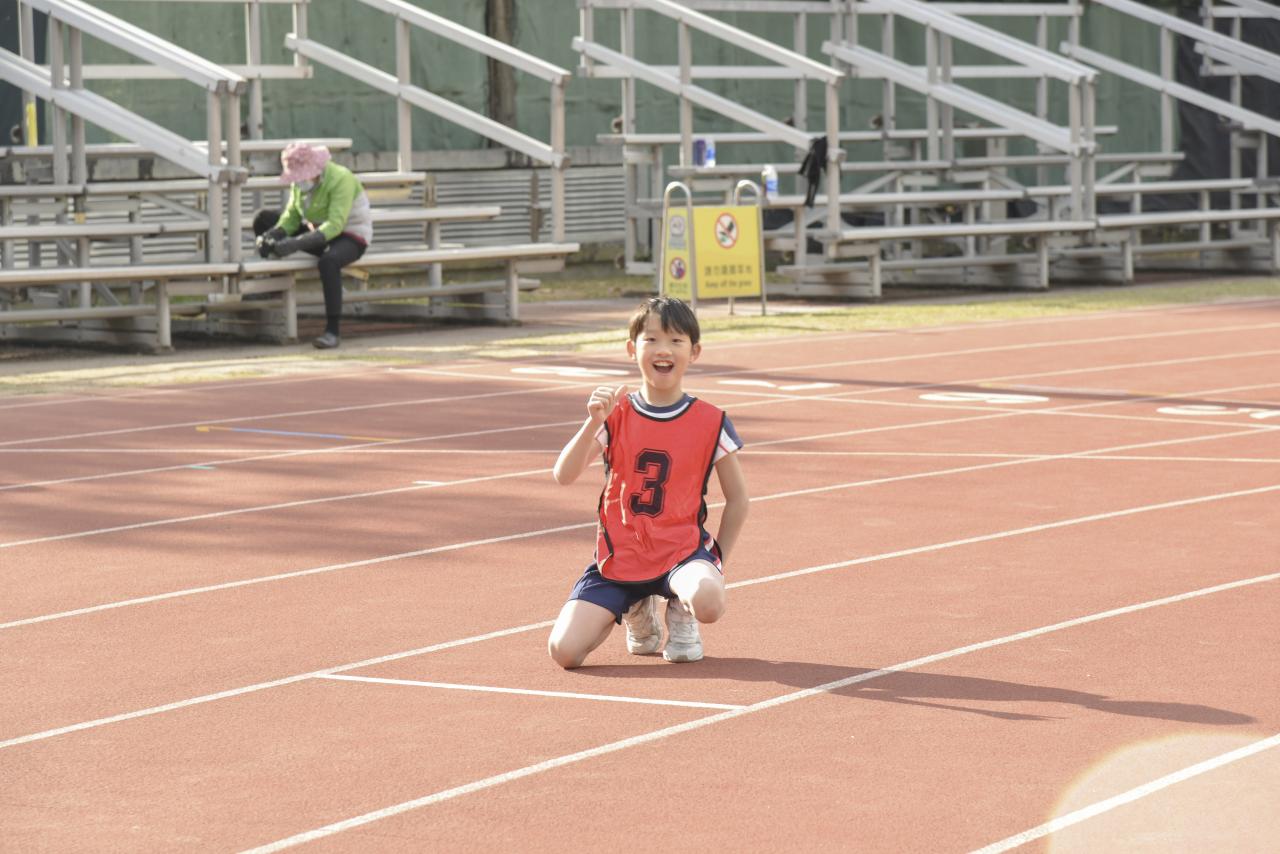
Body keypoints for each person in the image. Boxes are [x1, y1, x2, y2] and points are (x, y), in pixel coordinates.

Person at [548, 296, 749, 668]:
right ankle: (635, 606)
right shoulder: (616, 414)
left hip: (681, 555)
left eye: (676, 340)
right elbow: (564, 474)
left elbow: (738, 499)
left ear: (694, 351)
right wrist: (593, 422)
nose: (663, 349)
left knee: (709, 599)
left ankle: (681, 609)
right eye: (651, 339)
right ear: (632, 348)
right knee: (564, 652)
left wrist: (716, 561)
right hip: (620, 557)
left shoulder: (710, 420)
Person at [253, 142, 373, 349]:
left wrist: (296, 243)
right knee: (263, 220)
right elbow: (291, 217)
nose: (298, 181)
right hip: (317, 232)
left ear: (315, 170)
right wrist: (272, 235)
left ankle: (332, 330)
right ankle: (271, 284)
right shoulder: (299, 184)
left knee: (328, 261)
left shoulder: (341, 178)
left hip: (350, 235)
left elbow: (335, 225)